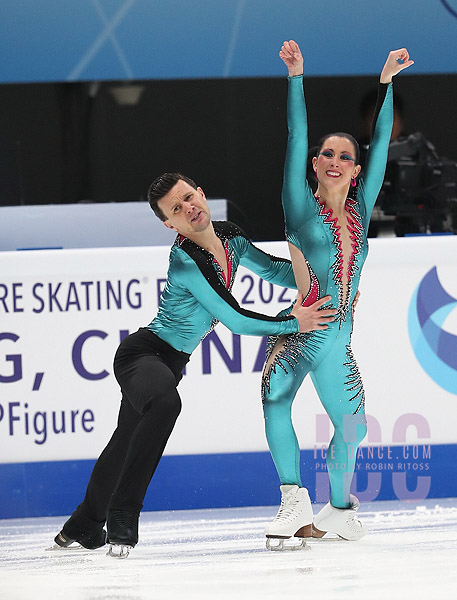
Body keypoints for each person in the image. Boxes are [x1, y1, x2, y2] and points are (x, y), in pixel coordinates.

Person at [50, 172, 337, 557]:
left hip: (170, 364)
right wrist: (293, 322)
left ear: (201, 193)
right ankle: (122, 514)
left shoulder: (230, 236)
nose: (189, 208)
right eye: (177, 209)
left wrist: (328, 275)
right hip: (143, 356)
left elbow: (274, 270)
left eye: (189, 197)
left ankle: (83, 524)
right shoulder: (185, 258)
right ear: (170, 223)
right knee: (166, 405)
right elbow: (235, 319)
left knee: (123, 443)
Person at [262, 41, 413, 549]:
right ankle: (292, 499)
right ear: (315, 162)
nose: (334, 159)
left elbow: (382, 147)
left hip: (338, 342)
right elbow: (295, 135)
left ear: (354, 169)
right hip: (303, 332)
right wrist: (296, 77)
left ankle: (341, 510)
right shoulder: (299, 207)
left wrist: (386, 83)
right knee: (275, 398)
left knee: (353, 429)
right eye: (326, 153)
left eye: (345, 156)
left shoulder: (361, 209)